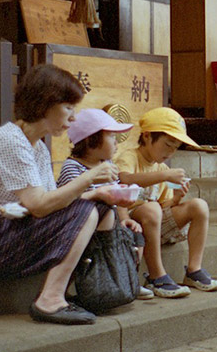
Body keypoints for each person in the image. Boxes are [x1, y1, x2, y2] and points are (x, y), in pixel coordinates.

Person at [0, 64, 122, 325]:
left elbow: (54, 203)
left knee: (99, 209)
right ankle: (50, 300)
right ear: (45, 104)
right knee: (86, 211)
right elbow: (40, 206)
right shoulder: (9, 140)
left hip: (3, 229)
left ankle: (96, 290)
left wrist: (98, 195)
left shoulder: (37, 148)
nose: (73, 118)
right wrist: (89, 178)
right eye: (68, 108)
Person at [115, 107, 217, 297]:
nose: (171, 152)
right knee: (150, 209)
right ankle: (157, 276)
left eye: (175, 147)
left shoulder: (160, 166)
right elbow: (124, 180)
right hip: (129, 222)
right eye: (167, 145)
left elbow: (162, 206)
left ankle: (194, 270)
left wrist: (176, 199)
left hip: (153, 220)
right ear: (147, 136)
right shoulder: (130, 157)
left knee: (199, 206)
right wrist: (163, 175)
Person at [57, 108, 154, 301]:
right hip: (85, 228)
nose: (117, 143)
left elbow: (115, 192)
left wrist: (125, 216)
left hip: (111, 224)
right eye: (111, 137)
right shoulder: (73, 167)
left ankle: (127, 278)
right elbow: (72, 200)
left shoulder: (108, 164)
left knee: (135, 235)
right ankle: (96, 283)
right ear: (91, 141)